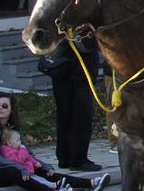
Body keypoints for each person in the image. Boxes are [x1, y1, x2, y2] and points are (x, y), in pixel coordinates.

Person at [0, 94, 109, 191]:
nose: (0, 108)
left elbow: (26, 153)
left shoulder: (11, 128)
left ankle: (91, 182)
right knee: (16, 172)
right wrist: (21, 168)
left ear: (12, 110)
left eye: (4, 106)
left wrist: (43, 165)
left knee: (41, 170)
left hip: (12, 165)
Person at [38, 38, 101, 171]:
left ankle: (65, 157)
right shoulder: (76, 24)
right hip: (76, 75)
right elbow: (85, 45)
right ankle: (78, 159)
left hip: (64, 73)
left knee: (65, 117)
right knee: (80, 118)